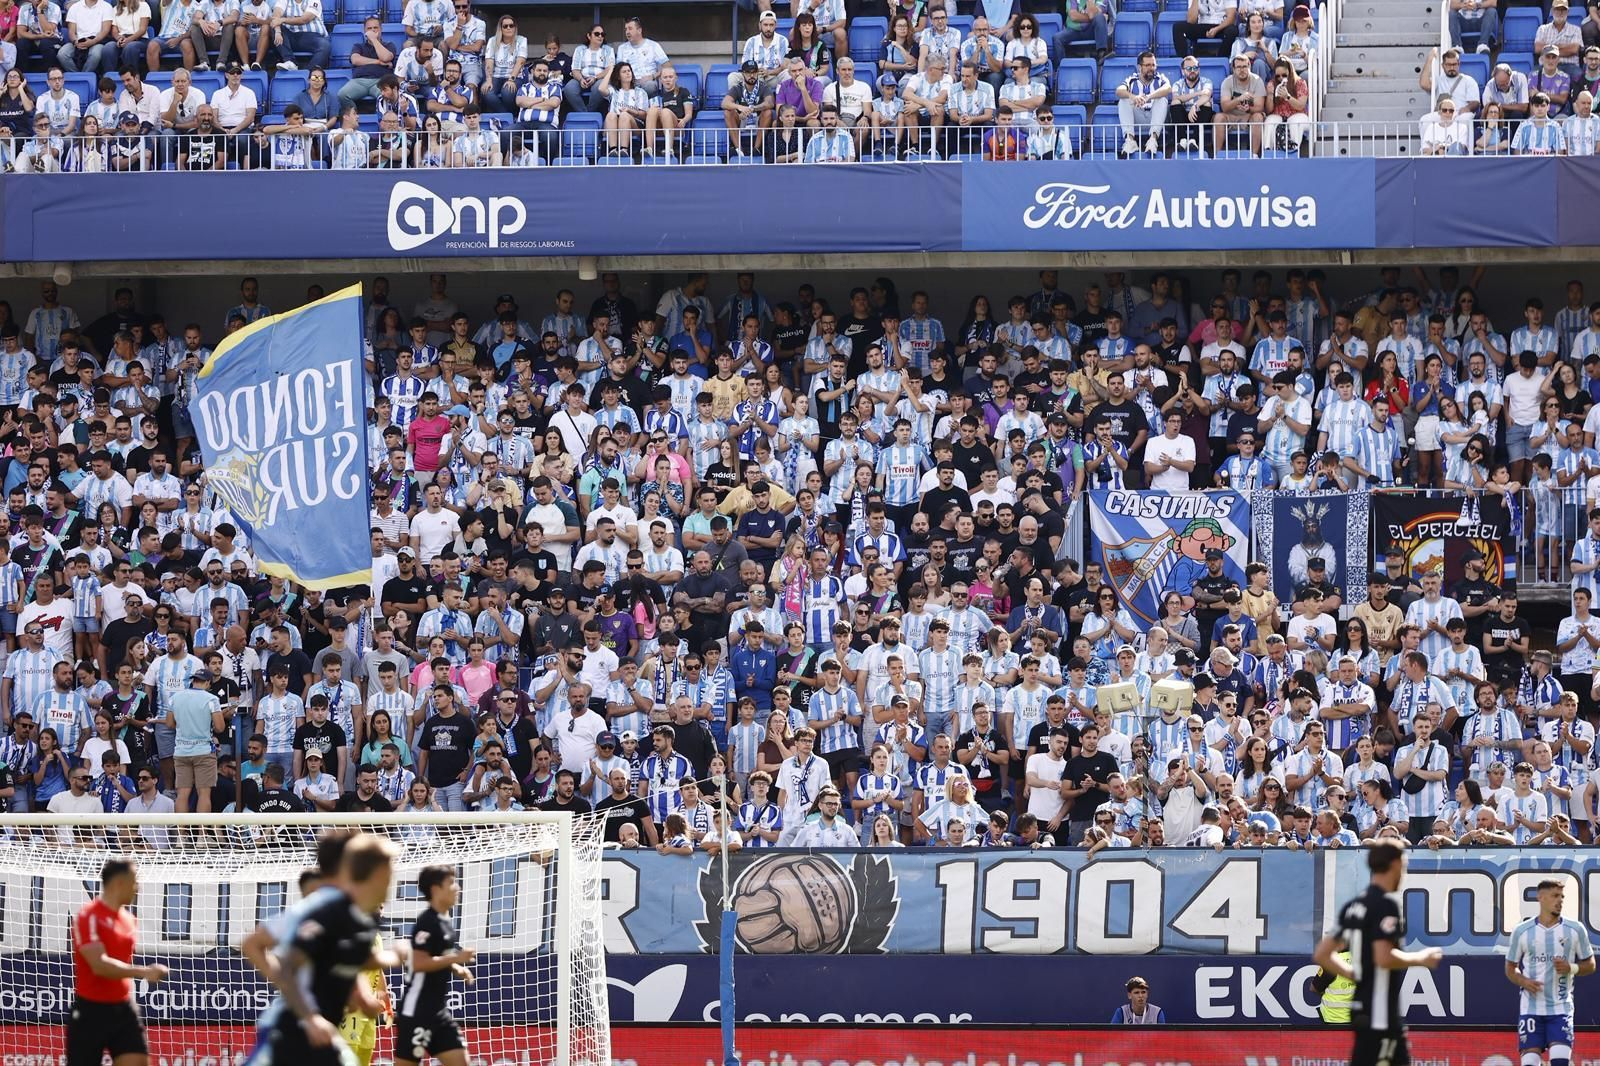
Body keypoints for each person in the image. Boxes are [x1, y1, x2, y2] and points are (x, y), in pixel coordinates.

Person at [254, 834, 399, 1066]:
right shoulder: (324, 911)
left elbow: (349, 963)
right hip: (291, 1030)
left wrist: (363, 997)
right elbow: (259, 949)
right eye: (388, 874)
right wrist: (310, 1016)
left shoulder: (360, 921)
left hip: (324, 1033)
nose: (393, 881)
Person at [1313, 840, 1443, 1066]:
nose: (1403, 874)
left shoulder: (1354, 905)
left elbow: (1323, 954)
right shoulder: (1386, 905)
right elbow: (1383, 957)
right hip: (1380, 1011)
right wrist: (1423, 959)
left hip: (1361, 1008)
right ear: (1393, 865)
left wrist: (1356, 974)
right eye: (1402, 867)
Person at [69, 858, 170, 1066]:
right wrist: (143, 972)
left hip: (124, 1008)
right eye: (134, 882)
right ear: (119, 884)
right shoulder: (88, 916)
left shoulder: (130, 920)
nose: (138, 887)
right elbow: (99, 965)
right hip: (90, 1011)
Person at [1505, 879, 1595, 1066]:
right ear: (1541, 897)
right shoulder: (1522, 931)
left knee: (1560, 1062)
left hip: (1561, 1008)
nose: (1560, 900)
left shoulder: (1575, 929)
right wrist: (1523, 981)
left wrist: (1572, 968)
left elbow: (1590, 964)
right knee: (1530, 1062)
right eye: (1555, 896)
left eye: (1562, 896)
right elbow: (1510, 968)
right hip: (1530, 1009)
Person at [395, 865, 476, 1066]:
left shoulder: (445, 922)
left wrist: (457, 968)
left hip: (438, 1012)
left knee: (461, 1062)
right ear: (435, 889)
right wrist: (456, 958)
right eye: (451, 883)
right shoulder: (427, 922)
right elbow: (420, 963)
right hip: (417, 1011)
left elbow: (440, 956)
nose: (457, 888)